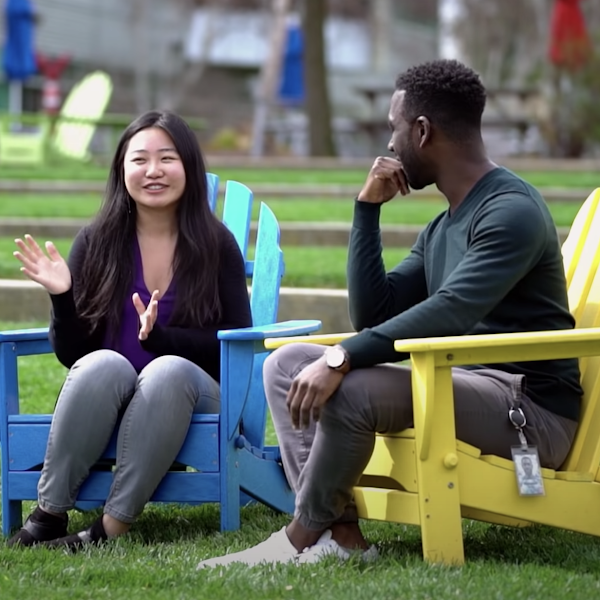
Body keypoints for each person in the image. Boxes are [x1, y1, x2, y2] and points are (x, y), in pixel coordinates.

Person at [196, 59, 583, 569]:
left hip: (528, 411)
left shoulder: (511, 212)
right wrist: (367, 210)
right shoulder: (444, 226)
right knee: (285, 366)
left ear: (422, 131)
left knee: (349, 386)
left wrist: (340, 360)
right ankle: (341, 536)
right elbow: (372, 312)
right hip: (458, 383)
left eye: (394, 129)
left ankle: (297, 539)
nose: (390, 145)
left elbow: (451, 310)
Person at [9, 110, 252, 549]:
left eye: (167, 158)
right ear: (122, 170)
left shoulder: (217, 244)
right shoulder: (96, 241)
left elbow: (235, 341)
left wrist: (162, 341)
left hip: (198, 397)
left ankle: (108, 529)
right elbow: (73, 356)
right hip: (114, 395)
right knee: (102, 363)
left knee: (168, 369)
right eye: (139, 159)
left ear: (189, 167)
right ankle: (49, 514)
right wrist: (63, 298)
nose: (153, 171)